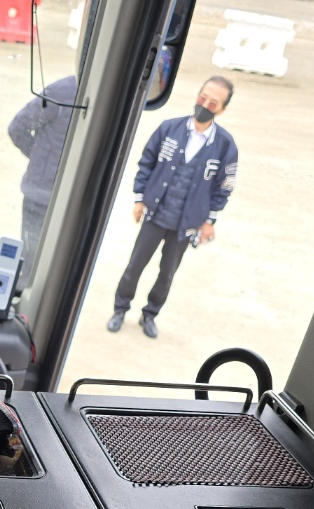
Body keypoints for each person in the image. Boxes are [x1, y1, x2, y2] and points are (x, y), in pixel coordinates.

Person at [108, 76, 238, 339]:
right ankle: (120, 309)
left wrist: (209, 221)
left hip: (187, 223)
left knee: (167, 273)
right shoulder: (169, 129)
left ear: (222, 110)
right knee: (135, 265)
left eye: (213, 103)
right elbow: (146, 163)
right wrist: (139, 198)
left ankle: (150, 314)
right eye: (203, 97)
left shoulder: (225, 145)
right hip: (156, 214)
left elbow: (224, 186)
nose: (205, 105)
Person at [7, 75, 77, 289]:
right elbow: (17, 128)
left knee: (36, 263)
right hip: (54, 198)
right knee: (46, 266)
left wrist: (40, 159)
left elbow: (17, 127)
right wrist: (40, 158)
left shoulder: (61, 90)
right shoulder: (62, 92)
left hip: (51, 196)